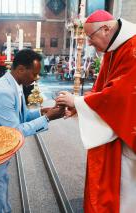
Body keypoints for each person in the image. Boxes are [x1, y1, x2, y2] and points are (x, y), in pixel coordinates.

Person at [56, 10, 136, 212]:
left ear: (106, 29)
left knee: (126, 188)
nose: (89, 43)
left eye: (90, 37)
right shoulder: (115, 47)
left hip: (129, 129)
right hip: (119, 125)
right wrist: (80, 108)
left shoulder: (133, 48)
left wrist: (77, 101)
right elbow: (102, 88)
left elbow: (122, 94)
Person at [0, 49, 65, 213]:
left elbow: (23, 116)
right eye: (34, 74)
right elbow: (16, 130)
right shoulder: (3, 92)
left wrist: (42, 112)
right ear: (20, 69)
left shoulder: (15, 85)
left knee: (2, 188)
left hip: (1, 150)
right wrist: (47, 118)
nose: (36, 78)